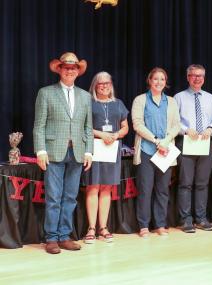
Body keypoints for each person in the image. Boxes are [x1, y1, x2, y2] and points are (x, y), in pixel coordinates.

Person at [33, 52, 93, 254]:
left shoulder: (85, 96)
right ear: (59, 69)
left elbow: (87, 127)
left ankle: (64, 236)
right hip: (53, 152)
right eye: (66, 67)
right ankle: (51, 238)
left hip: (77, 152)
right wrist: (40, 150)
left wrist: (89, 152)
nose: (70, 71)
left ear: (78, 72)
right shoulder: (46, 93)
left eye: (73, 68)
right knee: (53, 196)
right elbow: (39, 125)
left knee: (70, 197)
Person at [131, 67, 180, 237]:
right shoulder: (140, 100)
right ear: (149, 81)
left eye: (162, 79)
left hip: (165, 151)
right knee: (145, 189)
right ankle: (144, 225)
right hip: (147, 149)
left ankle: (160, 224)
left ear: (165, 82)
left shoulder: (172, 101)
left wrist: (165, 142)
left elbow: (176, 125)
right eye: (155, 79)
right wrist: (156, 141)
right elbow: (137, 124)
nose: (159, 82)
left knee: (162, 189)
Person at [82, 72, 129, 243]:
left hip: (111, 149)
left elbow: (125, 127)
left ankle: (103, 227)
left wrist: (115, 135)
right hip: (94, 149)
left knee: (107, 188)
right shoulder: (89, 103)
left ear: (111, 85)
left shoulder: (118, 104)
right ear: (95, 86)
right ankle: (91, 228)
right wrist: (101, 134)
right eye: (100, 83)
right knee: (93, 187)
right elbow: (83, 126)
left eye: (107, 83)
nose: (104, 86)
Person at [174, 64, 212, 233]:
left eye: (200, 75)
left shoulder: (210, 98)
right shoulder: (178, 97)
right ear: (188, 77)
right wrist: (186, 129)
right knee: (186, 183)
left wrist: (210, 128)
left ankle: (201, 218)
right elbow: (173, 121)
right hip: (186, 142)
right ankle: (186, 219)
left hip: (205, 143)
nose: (197, 78)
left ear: (204, 78)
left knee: (202, 183)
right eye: (193, 75)